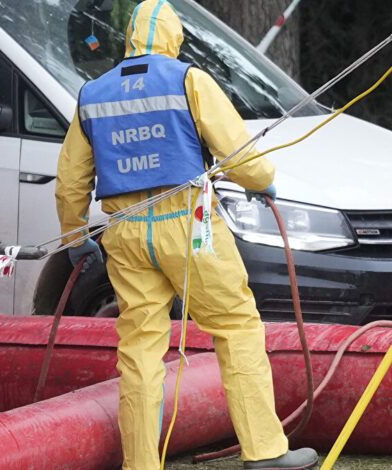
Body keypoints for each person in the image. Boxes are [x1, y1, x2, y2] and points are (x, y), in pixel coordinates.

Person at [55, 1, 317, 469]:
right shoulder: (187, 79)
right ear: (174, 38)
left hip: (126, 232)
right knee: (236, 327)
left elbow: (72, 179)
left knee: (138, 351)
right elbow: (239, 155)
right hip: (190, 229)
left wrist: (76, 236)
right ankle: (264, 451)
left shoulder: (92, 94)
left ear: (130, 38)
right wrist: (261, 181)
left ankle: (141, 463)